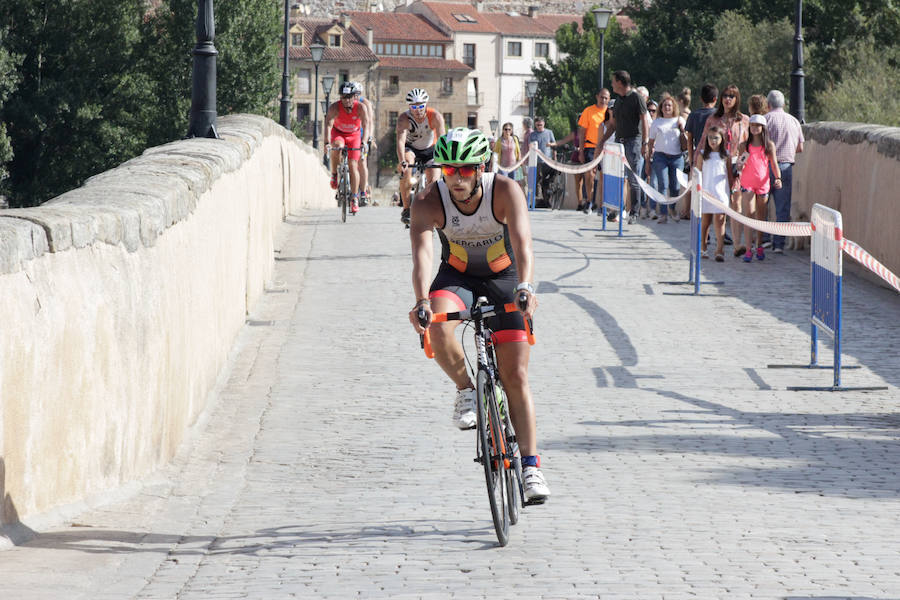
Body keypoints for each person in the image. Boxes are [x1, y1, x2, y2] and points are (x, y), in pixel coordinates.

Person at [407, 127, 551, 503]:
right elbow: (422, 257)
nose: (456, 178)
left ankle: (531, 466)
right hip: (457, 276)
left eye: (465, 170)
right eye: (449, 170)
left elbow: (523, 243)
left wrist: (527, 287)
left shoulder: (505, 190)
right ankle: (466, 390)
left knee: (515, 373)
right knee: (438, 325)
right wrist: (421, 300)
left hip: (505, 277)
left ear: (481, 166)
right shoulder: (427, 200)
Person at [697, 84, 749, 257]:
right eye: (725, 95)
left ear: (736, 99)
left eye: (731, 96)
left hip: (735, 163)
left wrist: (741, 165)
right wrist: (694, 165)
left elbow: (748, 147)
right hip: (715, 163)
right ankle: (706, 245)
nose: (728, 99)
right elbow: (703, 141)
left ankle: (736, 244)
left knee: (736, 203)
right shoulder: (713, 118)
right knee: (711, 210)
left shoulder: (743, 120)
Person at [601, 71, 651, 224]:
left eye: (614, 81)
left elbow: (644, 120)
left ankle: (634, 212)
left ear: (621, 82)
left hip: (634, 142)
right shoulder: (617, 102)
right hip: (618, 142)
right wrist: (601, 142)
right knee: (616, 177)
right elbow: (613, 125)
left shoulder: (636, 98)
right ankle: (616, 209)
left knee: (633, 179)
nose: (612, 84)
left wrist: (645, 143)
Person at [397, 88, 445, 226]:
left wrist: (443, 160)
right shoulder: (403, 118)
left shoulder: (435, 116)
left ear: (426, 104)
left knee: (435, 180)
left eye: (420, 106)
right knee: (406, 169)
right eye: (413, 106)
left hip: (431, 149)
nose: (417, 110)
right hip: (411, 149)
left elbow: (443, 140)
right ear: (409, 107)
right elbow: (400, 142)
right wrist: (402, 162)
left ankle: (432, 209)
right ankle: (406, 209)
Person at [737, 114, 782, 262]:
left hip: (763, 184)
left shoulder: (769, 145)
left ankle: (759, 245)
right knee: (748, 215)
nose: (755, 128)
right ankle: (749, 249)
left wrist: (778, 178)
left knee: (761, 217)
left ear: (763, 128)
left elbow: (774, 163)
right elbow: (740, 162)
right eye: (752, 125)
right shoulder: (744, 145)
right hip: (747, 182)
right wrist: (739, 165)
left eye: (758, 125)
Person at [764, 89, 804, 254]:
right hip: (786, 167)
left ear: (768, 105)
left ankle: (764, 239)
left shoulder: (766, 120)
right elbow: (800, 147)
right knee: (783, 207)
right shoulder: (794, 121)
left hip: (766, 166)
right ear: (784, 104)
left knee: (762, 205)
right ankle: (779, 244)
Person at [324, 82, 371, 214]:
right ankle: (334, 174)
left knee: (353, 164)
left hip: (354, 135)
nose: (347, 100)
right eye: (344, 97)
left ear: (354, 96)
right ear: (340, 97)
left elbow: (366, 126)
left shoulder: (361, 107)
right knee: (337, 147)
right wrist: (327, 143)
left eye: (349, 96)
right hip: (338, 133)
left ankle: (354, 198)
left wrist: (364, 142)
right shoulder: (335, 107)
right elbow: (328, 125)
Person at [646, 93, 687, 224]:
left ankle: (672, 209)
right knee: (662, 185)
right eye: (664, 105)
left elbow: (686, 139)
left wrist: (682, 129)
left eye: (669, 105)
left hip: (677, 157)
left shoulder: (680, 120)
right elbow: (651, 142)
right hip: (660, 156)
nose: (667, 108)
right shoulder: (657, 122)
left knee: (675, 186)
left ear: (673, 107)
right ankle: (663, 214)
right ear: (661, 108)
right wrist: (648, 160)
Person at [696, 126, 733, 261]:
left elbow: (729, 175)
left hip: (721, 193)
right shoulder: (702, 154)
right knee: (705, 222)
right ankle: (703, 247)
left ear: (722, 139)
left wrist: (732, 192)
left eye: (716, 138)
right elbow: (698, 173)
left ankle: (720, 249)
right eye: (710, 138)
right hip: (706, 192)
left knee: (720, 221)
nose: (712, 141)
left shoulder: (726, 155)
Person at [575, 89, 611, 214]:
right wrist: (581, 150)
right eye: (602, 97)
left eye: (606, 98)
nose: (604, 100)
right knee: (589, 174)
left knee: (603, 176)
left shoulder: (610, 112)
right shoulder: (588, 111)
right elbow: (582, 131)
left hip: (607, 148)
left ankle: (601, 204)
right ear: (597, 97)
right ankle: (589, 201)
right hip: (591, 147)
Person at [350, 82, 376, 206]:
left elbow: (369, 121)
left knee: (362, 163)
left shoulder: (365, 103)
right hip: (349, 132)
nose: (355, 96)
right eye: (353, 94)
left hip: (361, 134)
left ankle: (363, 192)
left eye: (357, 94)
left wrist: (369, 138)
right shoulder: (347, 102)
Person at [685, 83, 718, 171]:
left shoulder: (693, 115)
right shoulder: (719, 115)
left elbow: (689, 140)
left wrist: (691, 161)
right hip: (716, 155)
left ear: (701, 99)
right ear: (715, 99)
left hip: (699, 154)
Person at [528, 116, 558, 207]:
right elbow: (530, 146)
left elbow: (554, 145)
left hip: (548, 161)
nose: (539, 126)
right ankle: (538, 200)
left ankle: (546, 200)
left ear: (544, 124)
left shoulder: (549, 132)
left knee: (547, 182)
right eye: (537, 125)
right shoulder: (532, 135)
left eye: (541, 125)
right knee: (537, 181)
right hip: (536, 161)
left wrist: (555, 158)